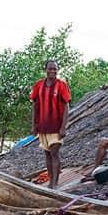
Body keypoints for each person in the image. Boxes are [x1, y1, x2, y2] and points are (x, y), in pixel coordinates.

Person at [29, 59, 72, 189]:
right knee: (47, 153)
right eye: (50, 68)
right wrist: (34, 124)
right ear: (45, 69)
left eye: (55, 69)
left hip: (56, 126)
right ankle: (51, 180)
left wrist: (63, 127)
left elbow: (66, 106)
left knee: (54, 152)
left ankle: (55, 182)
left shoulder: (61, 85)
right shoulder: (38, 85)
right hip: (43, 125)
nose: (53, 71)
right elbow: (35, 106)